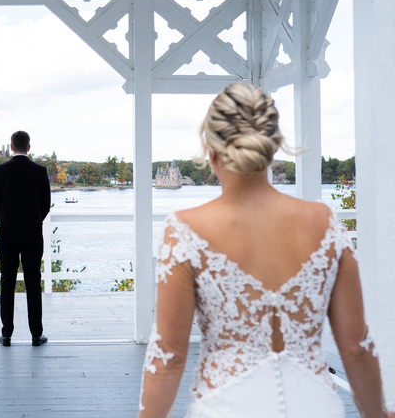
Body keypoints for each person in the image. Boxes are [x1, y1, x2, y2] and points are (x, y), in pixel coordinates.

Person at [138, 83, 393, 417]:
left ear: (210, 148)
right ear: (272, 148)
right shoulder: (325, 223)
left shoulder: (185, 229)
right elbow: (356, 347)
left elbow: (169, 355)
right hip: (315, 406)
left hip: (225, 407)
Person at [0, 130, 51, 347]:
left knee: (7, 281)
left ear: (11, 147)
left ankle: (6, 334)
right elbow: (45, 205)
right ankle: (36, 334)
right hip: (33, 234)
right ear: (29, 147)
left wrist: (6, 222)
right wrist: (33, 221)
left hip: (7, 234)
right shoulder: (40, 171)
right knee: (33, 282)